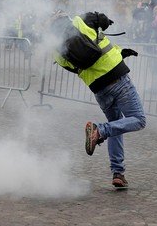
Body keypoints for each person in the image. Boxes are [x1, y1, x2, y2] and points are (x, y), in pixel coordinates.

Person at [52, 11, 145, 189]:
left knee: (116, 123)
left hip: (99, 88)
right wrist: (106, 22)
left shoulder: (55, 50)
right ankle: (99, 131)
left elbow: (80, 66)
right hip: (118, 80)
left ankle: (118, 172)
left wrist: (120, 54)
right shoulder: (81, 21)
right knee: (139, 120)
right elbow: (102, 20)